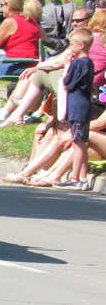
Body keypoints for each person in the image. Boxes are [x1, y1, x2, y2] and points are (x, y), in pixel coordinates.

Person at [60, 27, 95, 188]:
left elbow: (67, 83)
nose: (70, 48)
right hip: (85, 106)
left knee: (77, 142)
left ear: (81, 45)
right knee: (82, 142)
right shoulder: (89, 63)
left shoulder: (78, 64)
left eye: (72, 44)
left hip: (77, 107)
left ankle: (74, 178)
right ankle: (82, 177)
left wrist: (67, 66)